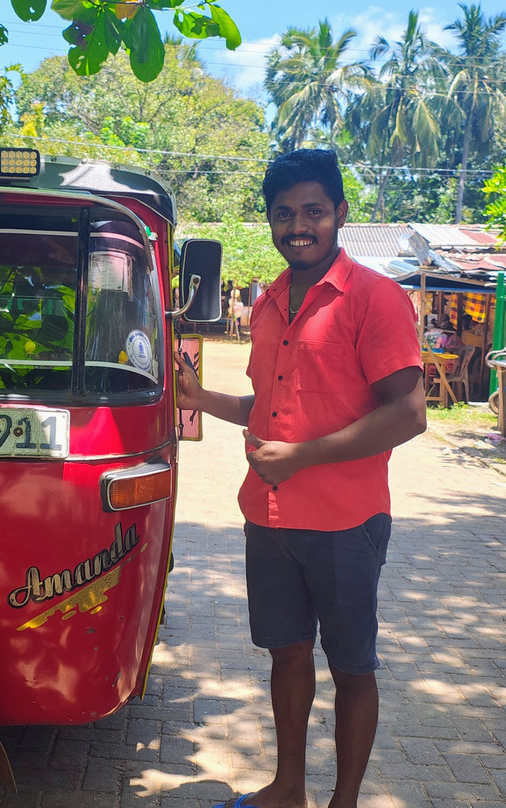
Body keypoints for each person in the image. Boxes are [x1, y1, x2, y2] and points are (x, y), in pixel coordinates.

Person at [173, 149, 426, 808]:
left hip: (347, 523)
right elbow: (272, 408)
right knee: (286, 655)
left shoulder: (375, 298)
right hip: (271, 518)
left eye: (313, 211)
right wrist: (200, 399)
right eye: (284, 214)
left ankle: (343, 801)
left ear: (340, 213)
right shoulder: (266, 303)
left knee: (351, 669)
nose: (298, 226)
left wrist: (305, 456)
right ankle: (288, 788)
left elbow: (409, 413)